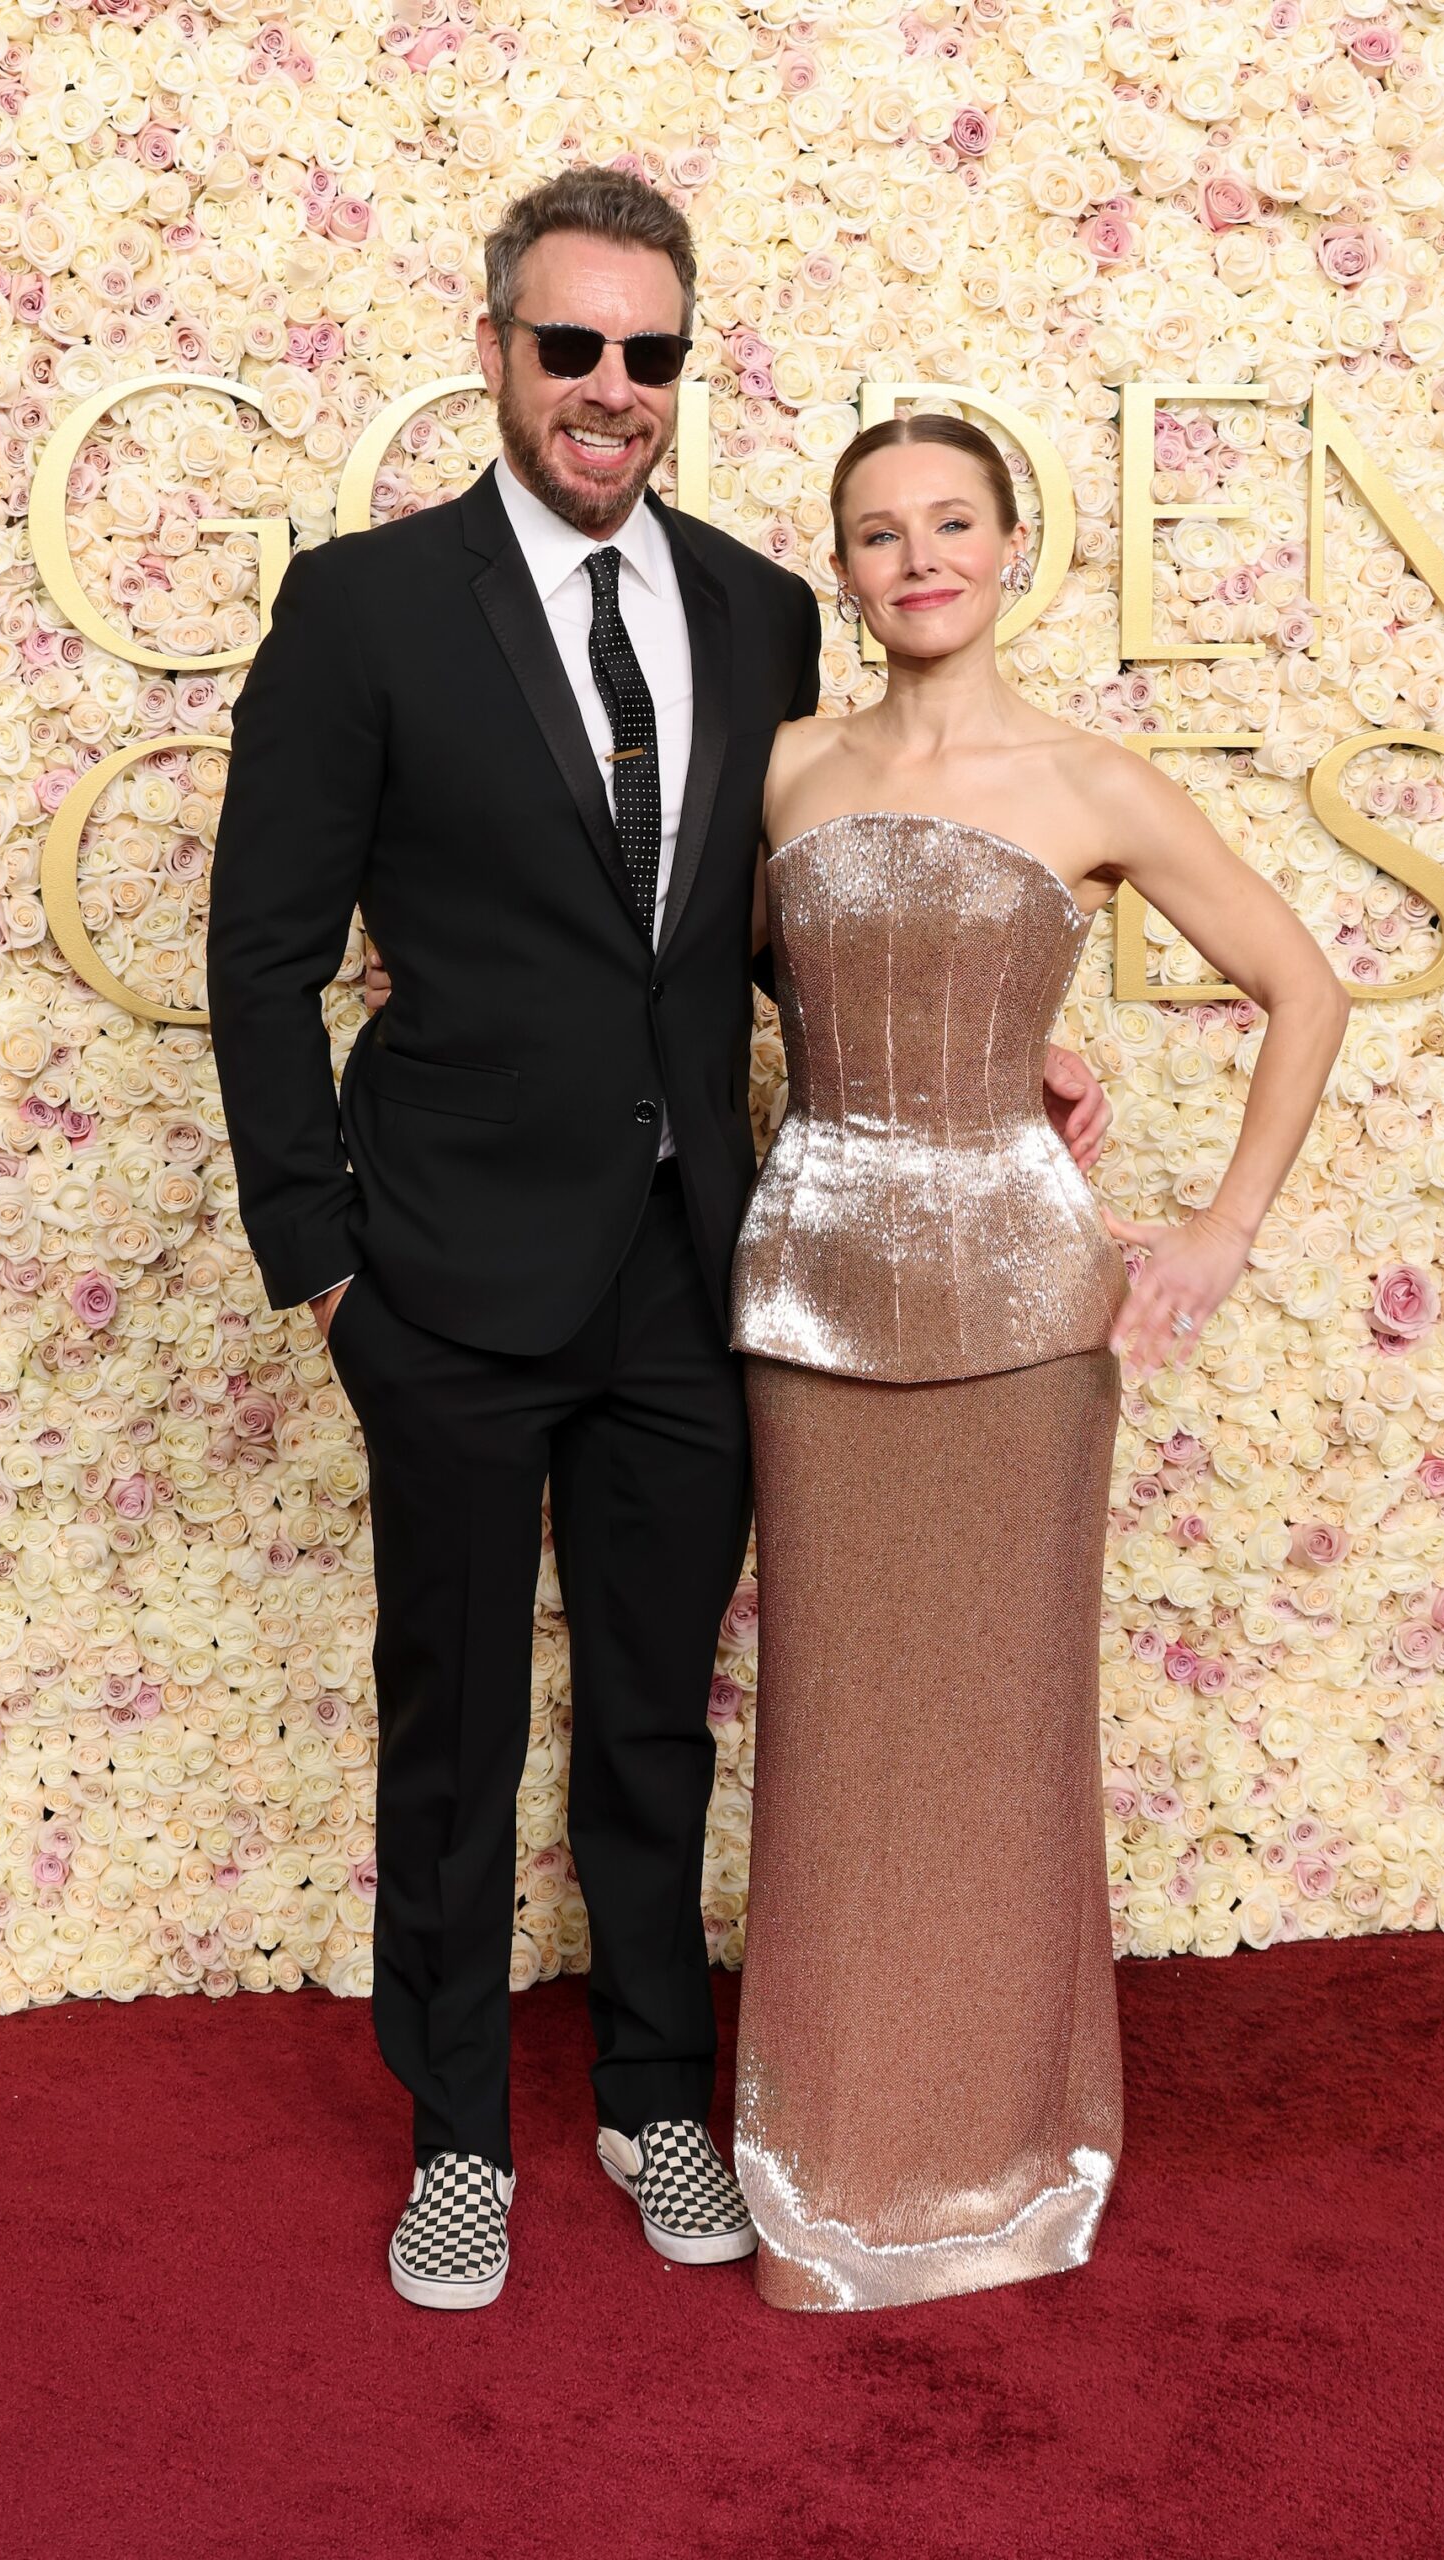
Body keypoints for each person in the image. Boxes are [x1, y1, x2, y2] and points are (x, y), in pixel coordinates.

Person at [207, 168, 1112, 2312]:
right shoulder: (363, 607)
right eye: (570, 346)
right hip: (433, 1266)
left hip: (696, 1259)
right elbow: (258, 959)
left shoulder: (751, 610)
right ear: (499, 346)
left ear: (676, 371)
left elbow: (756, 931)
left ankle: (645, 2090)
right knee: (449, 1730)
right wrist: (319, 1258)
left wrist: (1006, 1066)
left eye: (650, 355)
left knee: (650, 1716)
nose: (609, 389)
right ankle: (450, 2137)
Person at [727, 410, 1351, 2310]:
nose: (916, 556)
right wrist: (988, 1026)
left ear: (1012, 546)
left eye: (949, 522)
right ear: (842, 567)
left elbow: (1300, 983)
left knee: (1000, 1731)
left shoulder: (1094, 779)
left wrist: (1219, 1226)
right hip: (813, 1298)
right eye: (876, 532)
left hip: (1020, 1316)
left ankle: (1001, 2150)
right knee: (835, 1728)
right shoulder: (782, 770)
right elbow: (763, 970)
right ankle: (824, 2143)